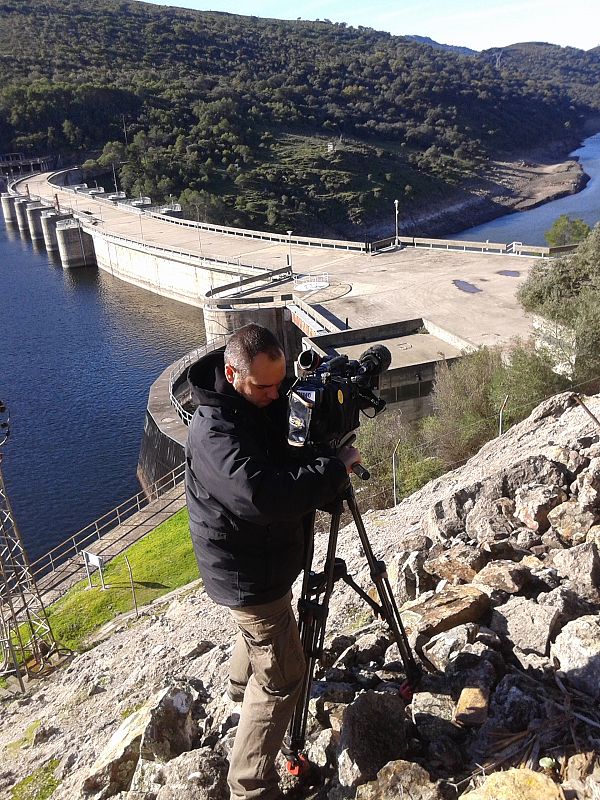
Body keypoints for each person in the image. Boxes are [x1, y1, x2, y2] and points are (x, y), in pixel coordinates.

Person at [185, 323, 360, 800]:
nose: (276, 395)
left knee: (267, 631)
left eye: (281, 383)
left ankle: (239, 689)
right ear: (232, 374)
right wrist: (331, 470)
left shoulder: (252, 402)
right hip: (247, 570)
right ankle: (250, 787)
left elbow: (281, 448)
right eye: (265, 386)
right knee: (284, 675)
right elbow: (261, 496)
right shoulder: (214, 431)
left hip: (262, 558)